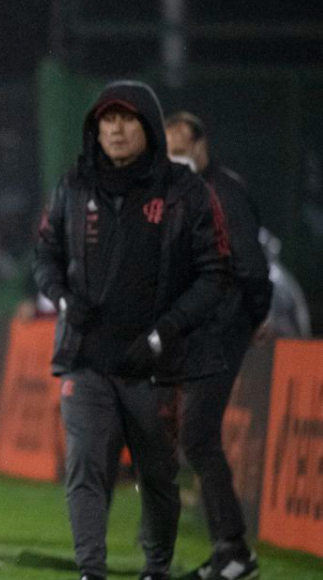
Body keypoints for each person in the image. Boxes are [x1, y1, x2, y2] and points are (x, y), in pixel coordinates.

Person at [34, 81, 232, 580]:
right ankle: (91, 572)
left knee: (159, 476)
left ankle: (156, 569)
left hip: (156, 365)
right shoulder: (73, 186)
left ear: (147, 127)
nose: (116, 129)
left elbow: (215, 274)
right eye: (107, 120)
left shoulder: (187, 193)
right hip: (85, 358)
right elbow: (45, 255)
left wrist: (166, 332)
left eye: (127, 119)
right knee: (84, 468)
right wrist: (60, 298)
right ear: (94, 129)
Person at [165, 112, 270, 580]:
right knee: (196, 435)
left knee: (197, 434)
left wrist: (243, 320)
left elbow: (251, 268)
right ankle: (229, 550)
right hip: (205, 332)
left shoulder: (222, 191)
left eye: (178, 148)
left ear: (201, 144)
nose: (173, 158)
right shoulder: (192, 193)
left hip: (222, 331)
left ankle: (235, 552)